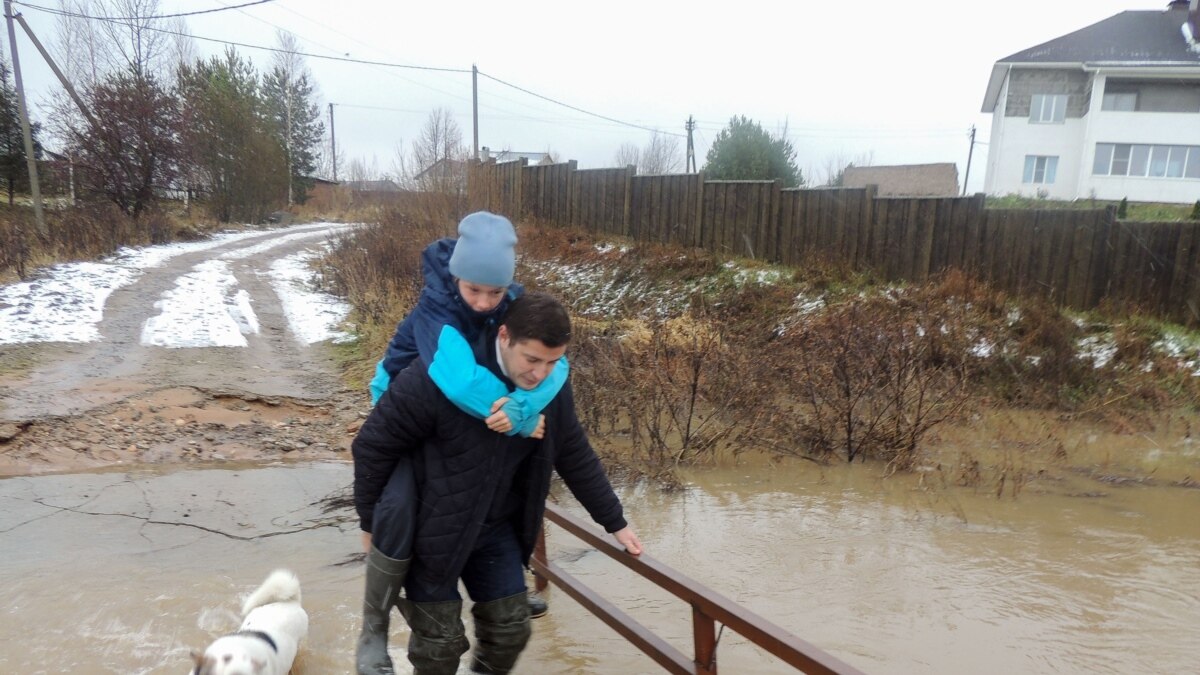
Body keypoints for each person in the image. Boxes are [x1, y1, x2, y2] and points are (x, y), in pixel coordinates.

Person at [352, 292, 643, 675]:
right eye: (532, 359)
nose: (540, 373)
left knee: (510, 631)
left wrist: (615, 521)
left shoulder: (549, 388)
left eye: (553, 361)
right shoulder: (435, 377)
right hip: (430, 532)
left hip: (495, 528)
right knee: (438, 648)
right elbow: (372, 446)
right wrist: (371, 522)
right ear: (504, 336)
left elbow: (572, 451)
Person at [355, 212, 562, 674]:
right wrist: (518, 417)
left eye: (496, 292)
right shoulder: (437, 309)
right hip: (401, 395)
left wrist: (526, 408)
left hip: (467, 406)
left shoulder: (512, 301)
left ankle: (502, 590)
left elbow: (558, 367)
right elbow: (459, 382)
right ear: (456, 277)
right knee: (401, 502)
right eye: (475, 291)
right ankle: (373, 629)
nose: (486, 303)